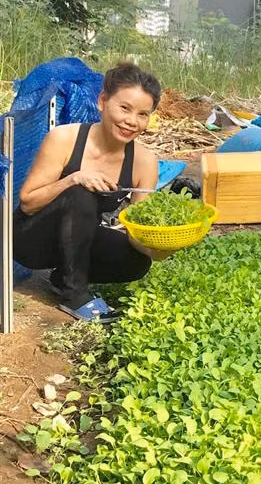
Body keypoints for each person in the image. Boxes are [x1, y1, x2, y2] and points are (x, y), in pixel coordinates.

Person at [14, 62, 168, 322]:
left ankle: (63, 277)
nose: (132, 121)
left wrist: (156, 246)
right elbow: (28, 203)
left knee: (137, 261)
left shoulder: (145, 161)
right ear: (103, 101)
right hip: (30, 239)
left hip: (77, 240)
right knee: (81, 192)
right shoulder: (64, 139)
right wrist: (73, 178)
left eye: (143, 114)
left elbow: (137, 228)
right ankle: (75, 296)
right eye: (124, 108)